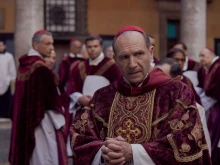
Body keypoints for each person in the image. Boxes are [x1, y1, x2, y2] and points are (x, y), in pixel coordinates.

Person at [70, 26, 211, 165]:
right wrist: (104, 153)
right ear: (115, 59)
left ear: (151, 53)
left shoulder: (177, 93)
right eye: (124, 57)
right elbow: (80, 137)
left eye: (138, 54)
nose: (132, 64)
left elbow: (187, 142)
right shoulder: (102, 97)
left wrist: (134, 152)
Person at [9, 30, 67, 165]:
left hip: (23, 123)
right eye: (48, 44)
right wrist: (61, 122)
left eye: (52, 44)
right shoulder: (41, 69)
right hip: (41, 123)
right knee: (44, 157)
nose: (52, 47)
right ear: (36, 45)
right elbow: (51, 103)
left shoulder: (24, 66)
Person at [155, 57, 211, 155]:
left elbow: (202, 148)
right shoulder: (146, 102)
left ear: (177, 80)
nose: (155, 83)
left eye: (162, 79)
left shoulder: (193, 108)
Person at [67, 35, 121, 116]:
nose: (92, 49)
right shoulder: (79, 66)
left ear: (101, 47)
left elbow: (119, 87)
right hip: (84, 110)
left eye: (95, 46)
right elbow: (72, 87)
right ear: (86, 48)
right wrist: (80, 98)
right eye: (89, 47)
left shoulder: (113, 66)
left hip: (106, 111)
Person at [199, 47, 220, 164]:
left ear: (211, 55)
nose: (201, 59)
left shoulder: (218, 66)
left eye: (203, 56)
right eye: (200, 56)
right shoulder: (208, 67)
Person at [0, 39, 16, 118]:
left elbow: (12, 70)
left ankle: (6, 115)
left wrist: (10, 80)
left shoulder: (9, 56)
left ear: (4, 46)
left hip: (6, 82)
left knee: (6, 101)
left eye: (1, 45)